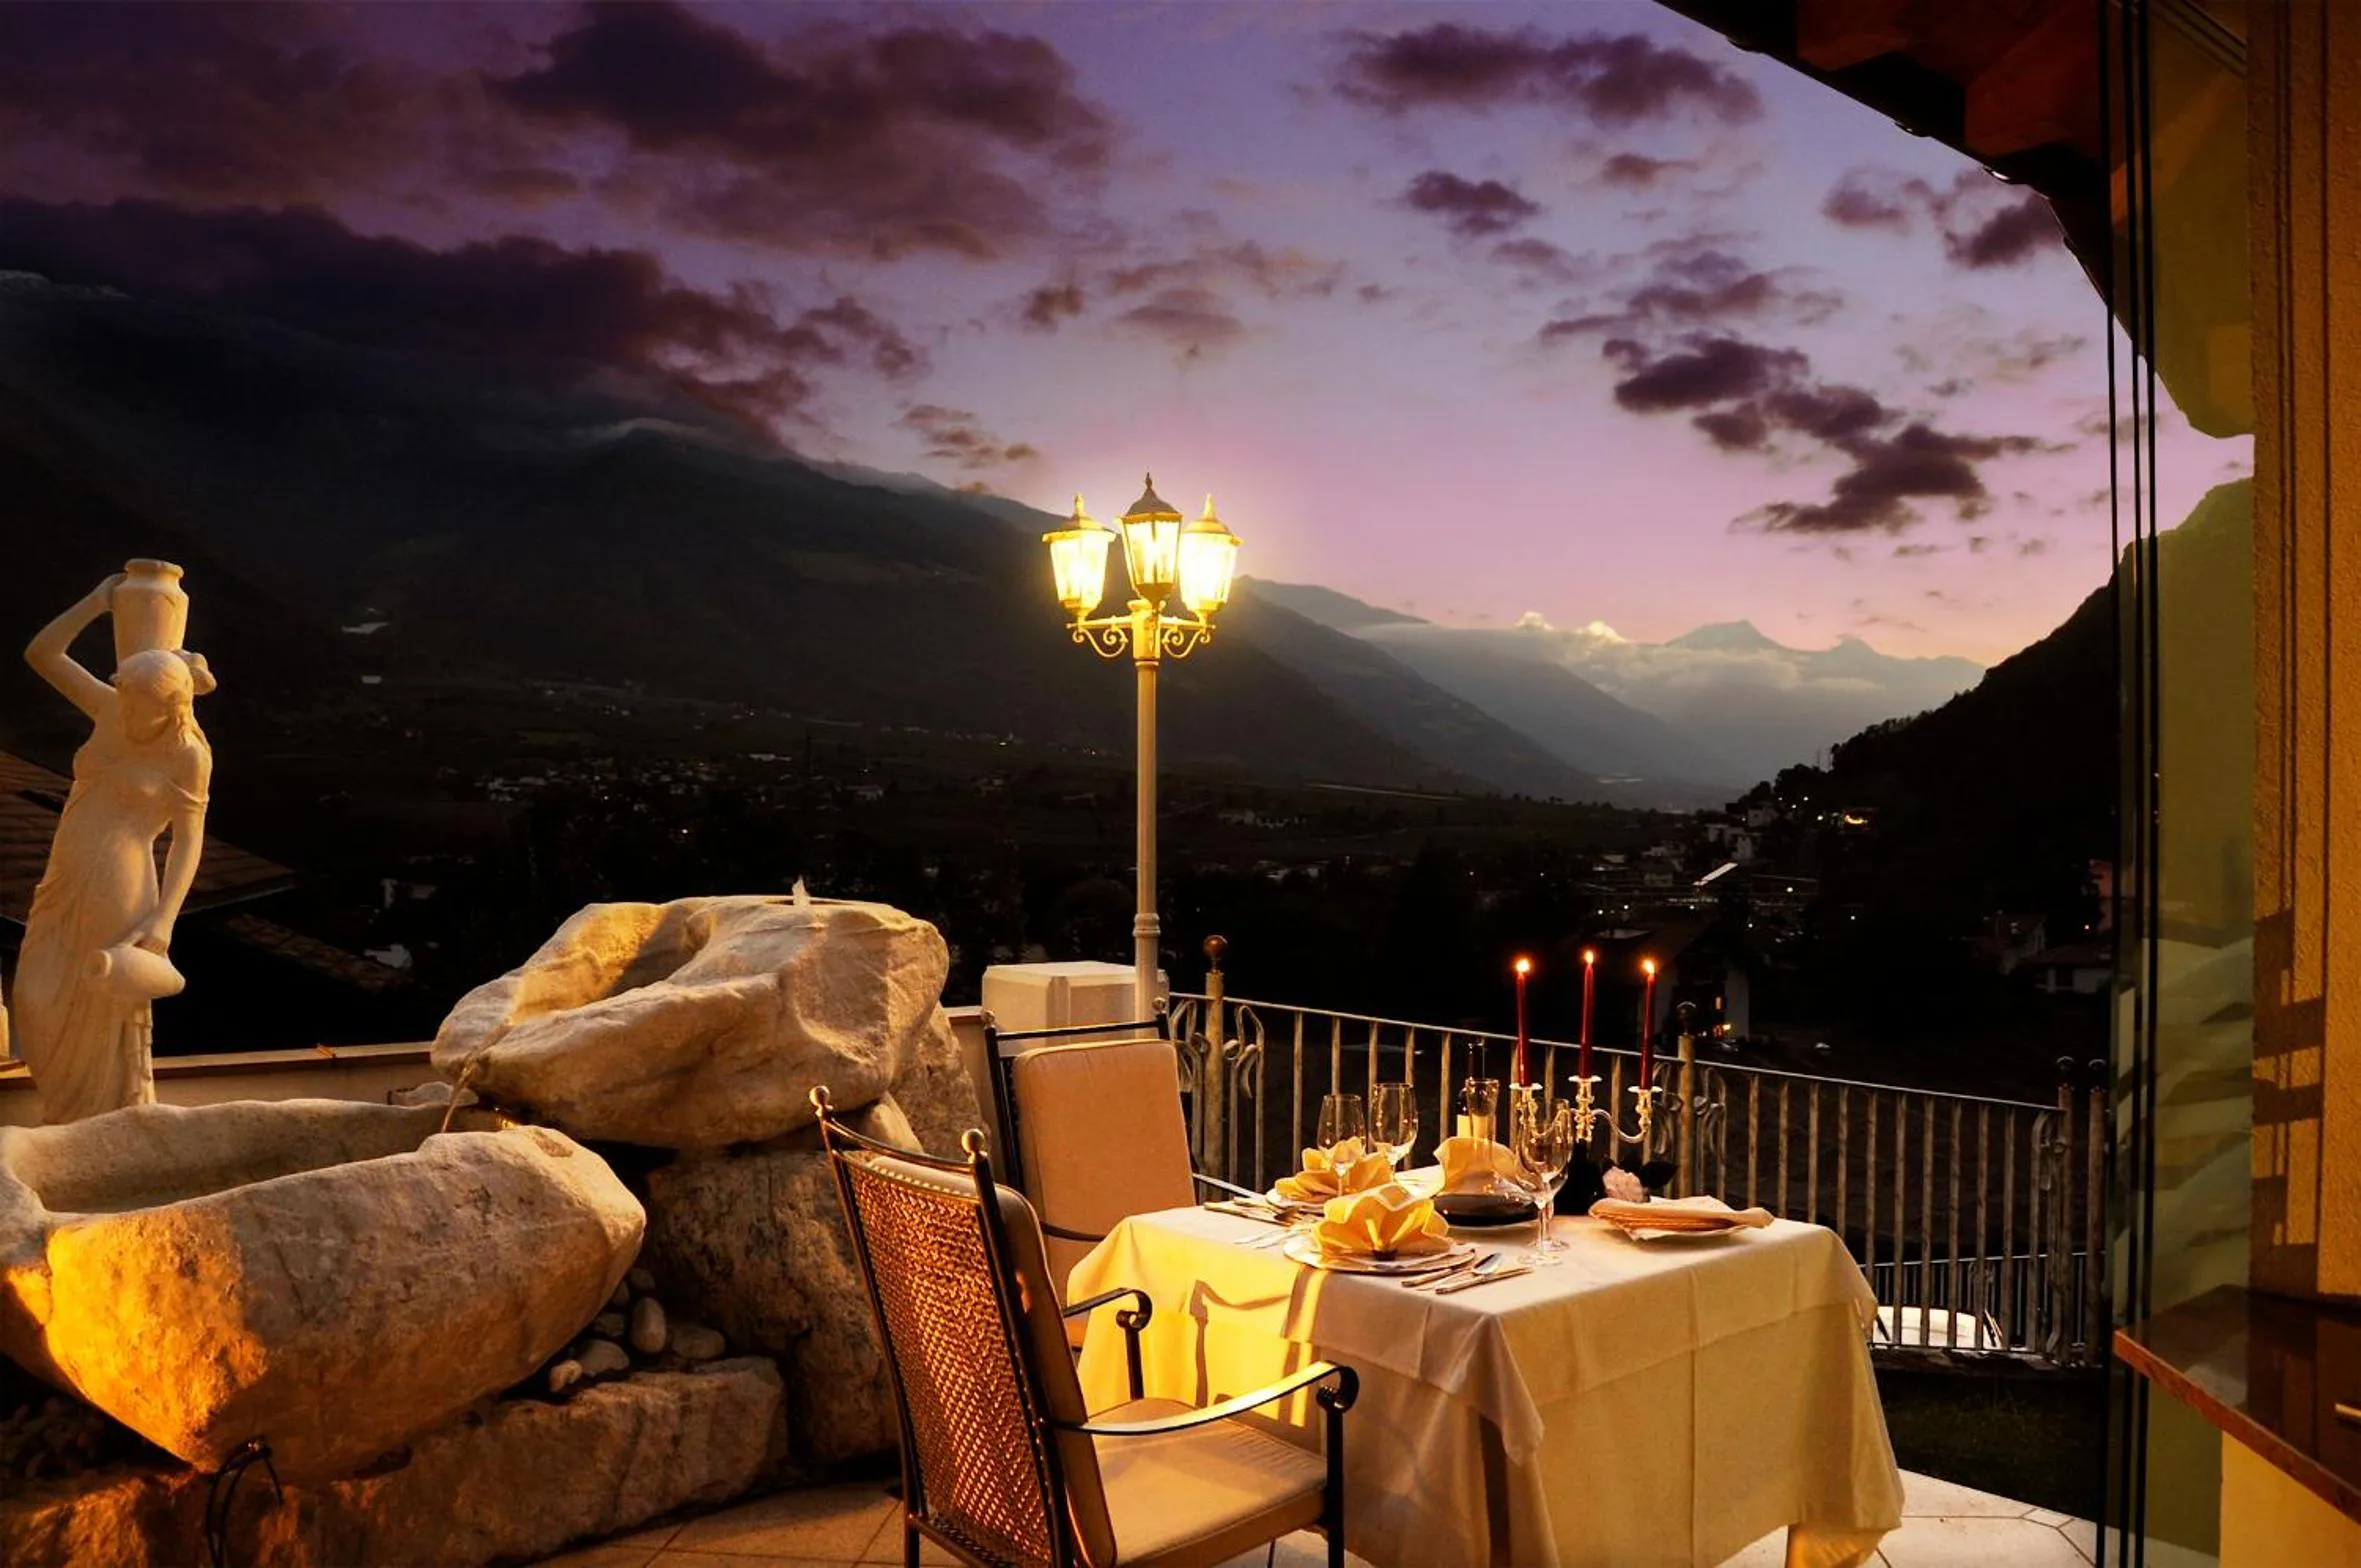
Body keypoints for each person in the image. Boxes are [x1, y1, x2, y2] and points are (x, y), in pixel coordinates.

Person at [14, 573, 213, 1122]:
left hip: (121, 887)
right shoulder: (110, 709)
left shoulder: (188, 755)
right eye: (123, 696)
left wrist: (163, 921)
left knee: (102, 1008)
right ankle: (65, 1111)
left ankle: (98, 1125)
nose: (125, 710)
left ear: (169, 707)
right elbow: (42, 654)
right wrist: (96, 601)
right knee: (34, 998)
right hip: (63, 876)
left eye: (136, 703)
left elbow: (188, 842)